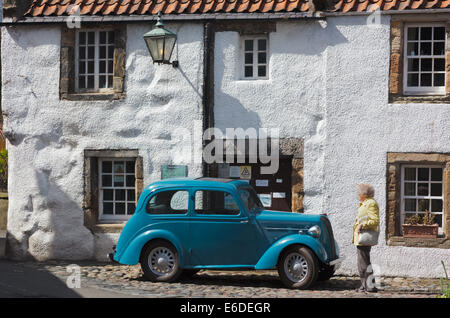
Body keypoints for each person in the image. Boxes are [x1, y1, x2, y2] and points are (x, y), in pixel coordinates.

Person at [353, 183, 380, 293]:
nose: (358, 195)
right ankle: (365, 286)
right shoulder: (365, 203)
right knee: (362, 263)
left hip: (364, 237)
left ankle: (369, 286)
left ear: (364, 194)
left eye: (359, 193)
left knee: (364, 263)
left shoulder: (371, 204)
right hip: (360, 237)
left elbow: (375, 221)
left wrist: (362, 225)